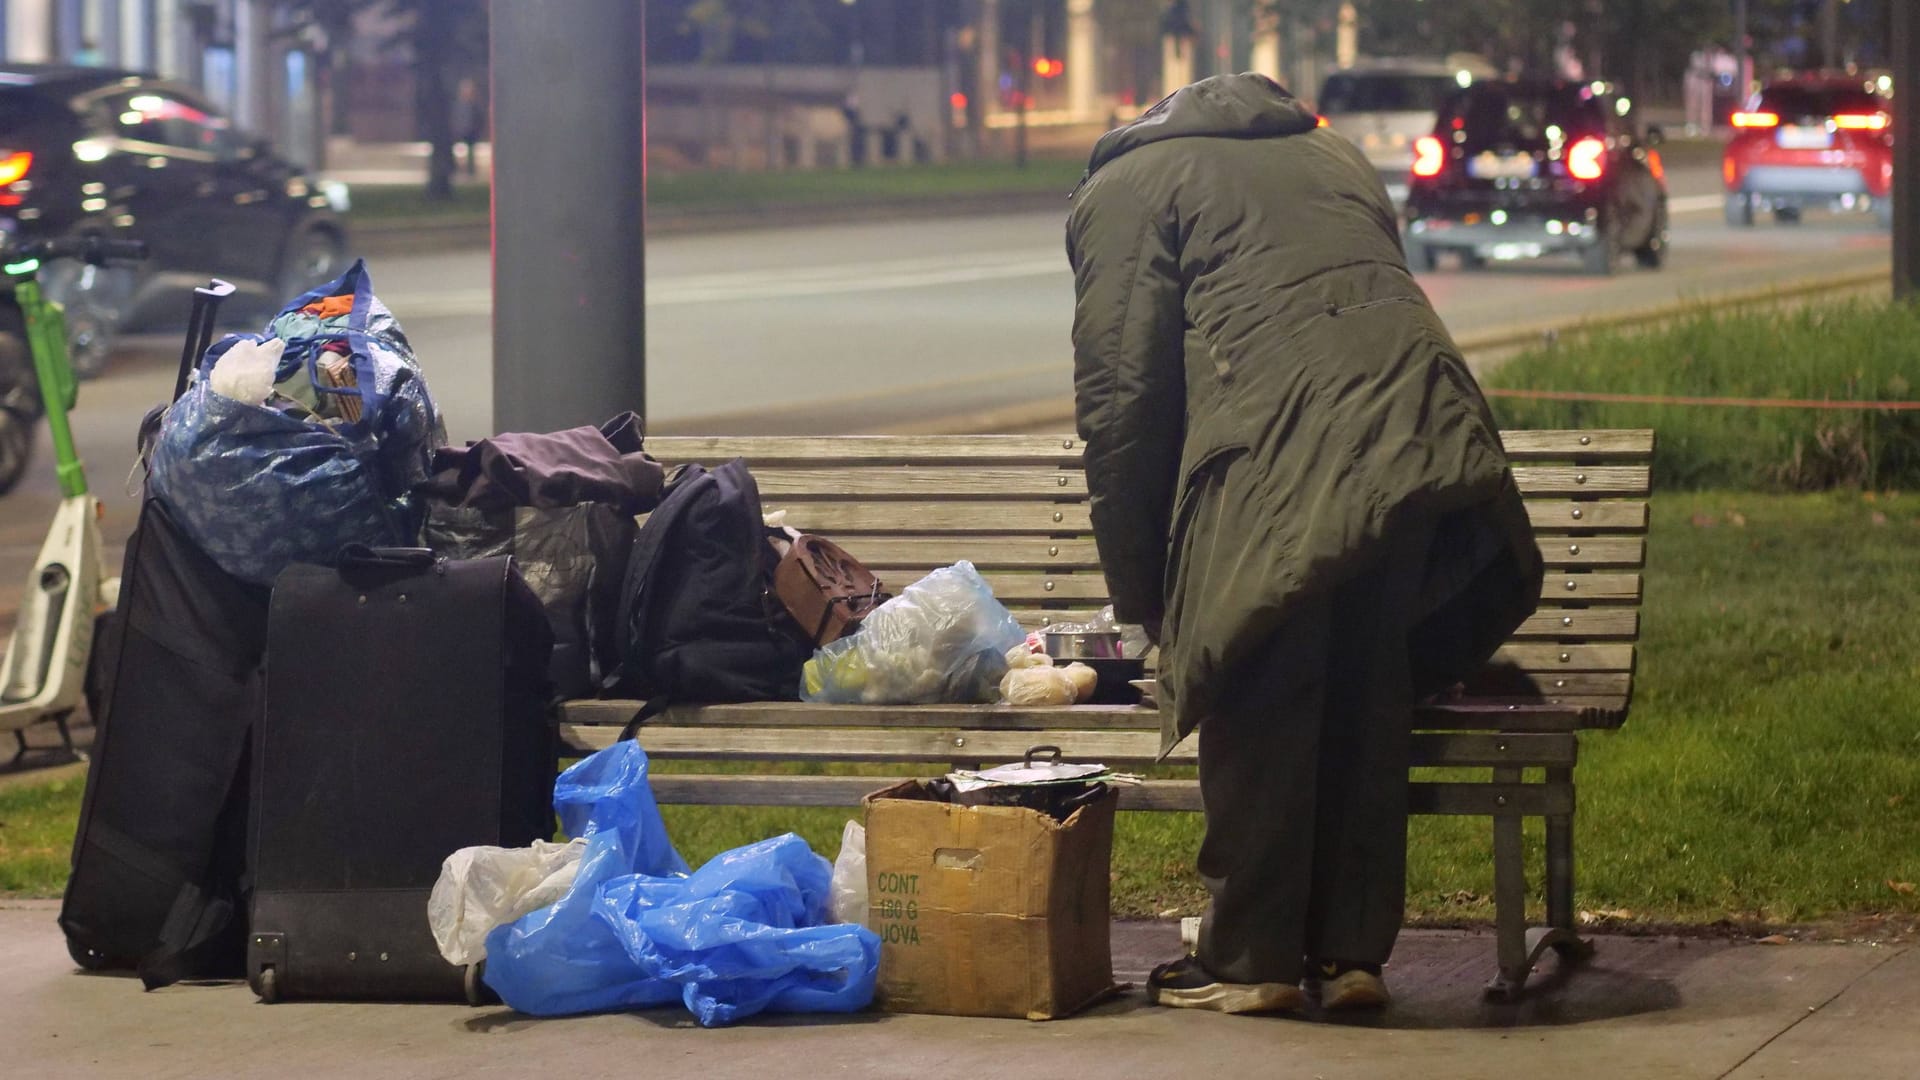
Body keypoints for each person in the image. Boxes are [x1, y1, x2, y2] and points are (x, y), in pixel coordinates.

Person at [1065, 73, 1544, 1015]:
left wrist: (1142, 600)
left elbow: (1124, 401)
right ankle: (1349, 954)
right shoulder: (1330, 152)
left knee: (1260, 687)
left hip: (1283, 450)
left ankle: (1251, 965)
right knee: (1368, 688)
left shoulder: (1125, 188)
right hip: (1420, 436)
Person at [453, 77, 485, 177]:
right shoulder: (459, 105)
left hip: (471, 131)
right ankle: (456, 169)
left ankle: (470, 171)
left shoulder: (474, 105)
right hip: (460, 130)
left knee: (470, 151)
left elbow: (478, 119)